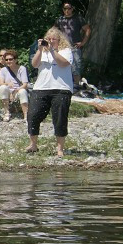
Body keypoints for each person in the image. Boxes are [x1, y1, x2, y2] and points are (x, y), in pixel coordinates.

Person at [26, 27, 73, 157]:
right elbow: (34, 64)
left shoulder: (66, 51)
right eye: (48, 39)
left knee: (59, 118)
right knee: (33, 115)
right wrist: (40, 49)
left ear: (59, 40)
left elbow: (63, 63)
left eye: (54, 39)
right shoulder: (43, 52)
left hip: (61, 89)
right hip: (41, 87)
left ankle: (60, 148)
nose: (51, 41)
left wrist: (52, 50)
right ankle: (33, 144)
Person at [55, 2, 90, 85]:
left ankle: (77, 86)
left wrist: (83, 42)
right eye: (65, 9)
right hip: (63, 47)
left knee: (76, 68)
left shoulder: (78, 18)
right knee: (61, 66)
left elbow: (88, 29)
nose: (67, 10)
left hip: (75, 47)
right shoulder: (60, 19)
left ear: (72, 9)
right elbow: (53, 31)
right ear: (63, 9)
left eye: (69, 8)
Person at [0, 50, 29, 122]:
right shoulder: (3, 70)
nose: (8, 61)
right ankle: (6, 113)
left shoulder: (22, 69)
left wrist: (15, 91)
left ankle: (26, 115)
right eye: (6, 60)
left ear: (16, 60)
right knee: (3, 88)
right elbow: (1, 82)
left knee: (23, 91)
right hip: (8, 90)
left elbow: (25, 84)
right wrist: (7, 84)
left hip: (18, 90)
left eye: (10, 59)